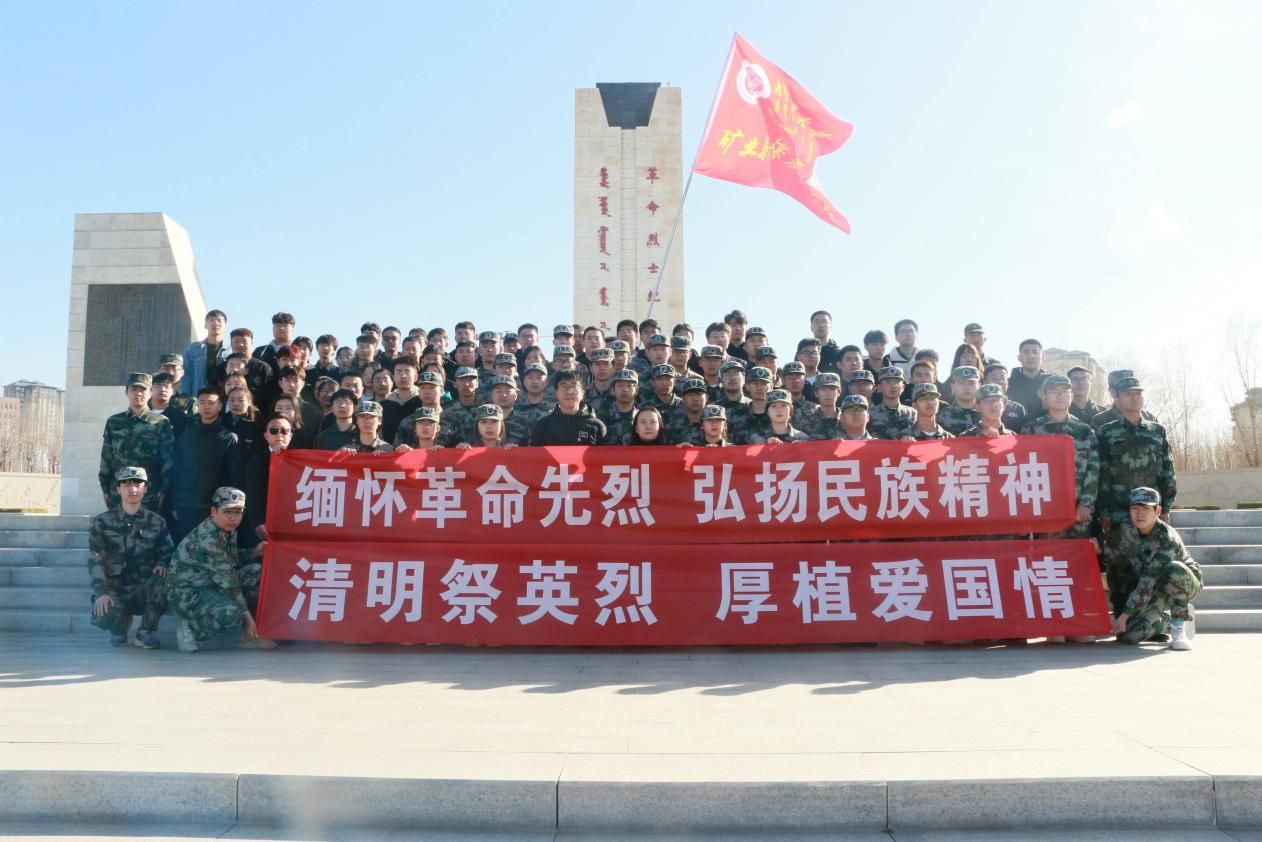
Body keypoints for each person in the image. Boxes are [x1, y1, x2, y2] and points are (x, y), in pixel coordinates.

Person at [166, 487, 275, 653]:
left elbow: (228, 560)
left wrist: (254, 552)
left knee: (257, 574)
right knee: (233, 614)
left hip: (211, 584)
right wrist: (247, 618)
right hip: (187, 592)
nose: (233, 517)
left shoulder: (226, 529)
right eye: (227, 512)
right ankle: (191, 628)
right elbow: (229, 583)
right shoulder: (209, 537)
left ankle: (249, 636)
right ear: (214, 511)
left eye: (238, 512)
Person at [1103, 487, 1202, 649]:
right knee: (1129, 636)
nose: (1140, 514)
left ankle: (1179, 626)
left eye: (1146, 509)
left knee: (1174, 569)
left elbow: (1148, 581)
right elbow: (1113, 561)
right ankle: (1164, 622)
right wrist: (1098, 549)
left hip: (1181, 582)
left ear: (1158, 511)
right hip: (1148, 585)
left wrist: (1125, 615)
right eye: (1135, 508)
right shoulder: (1124, 530)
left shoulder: (1167, 539)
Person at [88, 466, 173, 649]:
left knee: (164, 580)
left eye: (137, 484)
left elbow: (167, 550)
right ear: (118, 489)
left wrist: (162, 563)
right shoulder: (102, 522)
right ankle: (119, 629)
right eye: (126, 484)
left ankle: (145, 632)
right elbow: (95, 559)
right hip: (115, 589)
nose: (132, 489)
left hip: (144, 589)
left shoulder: (156, 522)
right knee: (102, 614)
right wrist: (101, 592)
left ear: (145, 489)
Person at [1097, 376, 1176, 534]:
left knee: (1152, 547)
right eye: (1128, 394)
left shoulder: (1157, 431)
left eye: (1138, 394)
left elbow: (1167, 471)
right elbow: (1101, 474)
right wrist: (1104, 511)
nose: (1134, 398)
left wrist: (1166, 507)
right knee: (1119, 549)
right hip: (1118, 508)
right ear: (1117, 399)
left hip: (1150, 507)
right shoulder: (1106, 432)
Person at [1024, 374, 1099, 537]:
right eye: (1053, 391)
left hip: (1078, 508)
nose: (1060, 395)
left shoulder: (1085, 430)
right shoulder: (1031, 429)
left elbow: (1093, 469)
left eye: (1064, 391)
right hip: (1045, 507)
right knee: (1048, 551)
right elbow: (1023, 470)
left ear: (1071, 396)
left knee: (1078, 551)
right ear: (1044, 396)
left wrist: (1086, 504)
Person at [170, 387, 243, 544]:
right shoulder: (187, 436)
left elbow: (234, 476)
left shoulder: (228, 438)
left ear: (220, 406)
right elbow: (177, 471)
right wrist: (175, 503)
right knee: (185, 549)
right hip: (186, 505)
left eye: (211, 403)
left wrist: (227, 507)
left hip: (215, 507)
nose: (206, 406)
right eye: (202, 402)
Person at [99, 372, 175, 512]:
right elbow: (106, 457)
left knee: (147, 526)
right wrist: (105, 487)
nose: (138, 393)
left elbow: (168, 459)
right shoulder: (114, 422)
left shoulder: (160, 423)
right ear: (126, 392)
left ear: (150, 393)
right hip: (119, 490)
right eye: (134, 389)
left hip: (149, 491)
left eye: (143, 389)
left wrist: (164, 489)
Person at [241, 414, 290, 552]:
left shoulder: (301, 460)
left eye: (284, 431)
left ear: (291, 435)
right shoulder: (256, 461)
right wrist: (258, 522)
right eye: (274, 431)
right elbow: (252, 494)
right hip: (264, 525)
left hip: (291, 524)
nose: (279, 434)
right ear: (266, 435)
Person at [529, 370, 606, 445]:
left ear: (582, 393)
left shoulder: (596, 426)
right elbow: (534, 453)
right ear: (556, 393)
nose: (569, 391)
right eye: (564, 386)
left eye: (574, 386)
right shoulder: (543, 426)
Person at [183, 309, 230, 396]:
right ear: (205, 325)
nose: (216, 323)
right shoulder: (193, 349)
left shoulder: (230, 351)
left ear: (225, 325)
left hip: (223, 398)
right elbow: (186, 376)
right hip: (198, 397)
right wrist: (187, 397)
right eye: (212, 320)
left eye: (219, 320)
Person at [381, 356, 422, 443]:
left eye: (407, 372)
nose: (403, 376)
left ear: (415, 377)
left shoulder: (423, 402)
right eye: (399, 372)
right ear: (393, 377)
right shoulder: (383, 406)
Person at [1006, 339, 1049, 421]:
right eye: (1026, 352)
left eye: (1035, 352)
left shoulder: (1051, 383)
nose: (1031, 356)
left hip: (1047, 427)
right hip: (1014, 428)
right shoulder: (1008, 384)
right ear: (1019, 357)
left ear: (1043, 356)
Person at [729, 366, 774, 444]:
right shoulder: (735, 416)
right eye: (755, 383)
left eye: (763, 383)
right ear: (747, 386)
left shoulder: (778, 416)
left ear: (771, 387)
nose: (759, 388)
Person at [869, 367, 915, 440]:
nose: (893, 386)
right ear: (879, 387)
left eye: (897, 382)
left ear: (903, 387)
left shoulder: (912, 413)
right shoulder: (870, 414)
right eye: (888, 382)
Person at [599, 368, 640, 445]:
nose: (625, 389)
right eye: (620, 385)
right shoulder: (601, 417)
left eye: (629, 386)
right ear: (612, 390)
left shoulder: (641, 418)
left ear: (637, 391)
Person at [938, 366, 982, 435]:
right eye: (961, 383)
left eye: (971, 383)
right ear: (953, 387)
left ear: (979, 385)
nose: (966, 387)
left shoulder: (987, 414)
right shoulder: (942, 417)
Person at [665, 378, 707, 445]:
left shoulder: (714, 424)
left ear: (706, 398)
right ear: (683, 399)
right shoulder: (672, 427)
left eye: (699, 394)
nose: (695, 399)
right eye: (690, 395)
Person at [223, 387, 262, 454]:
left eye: (241, 400)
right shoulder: (221, 422)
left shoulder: (258, 425)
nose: (236, 404)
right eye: (232, 400)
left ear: (249, 402)